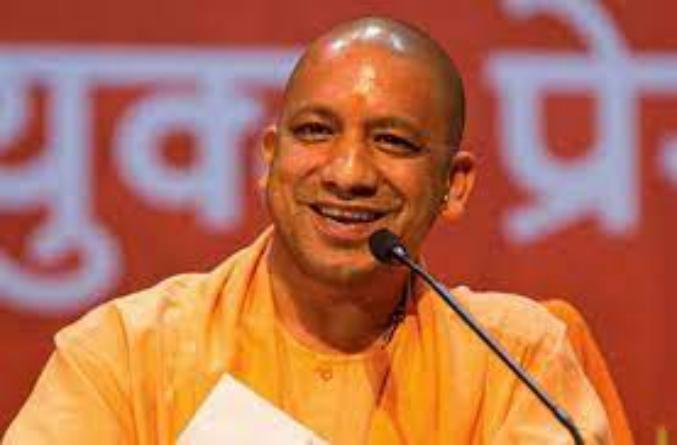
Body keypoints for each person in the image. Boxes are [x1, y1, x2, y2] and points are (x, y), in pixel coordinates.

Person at [4, 17, 614, 444]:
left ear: (453, 185)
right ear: (270, 158)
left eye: (392, 141)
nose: (348, 174)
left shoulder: (515, 360)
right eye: (316, 132)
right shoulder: (127, 354)